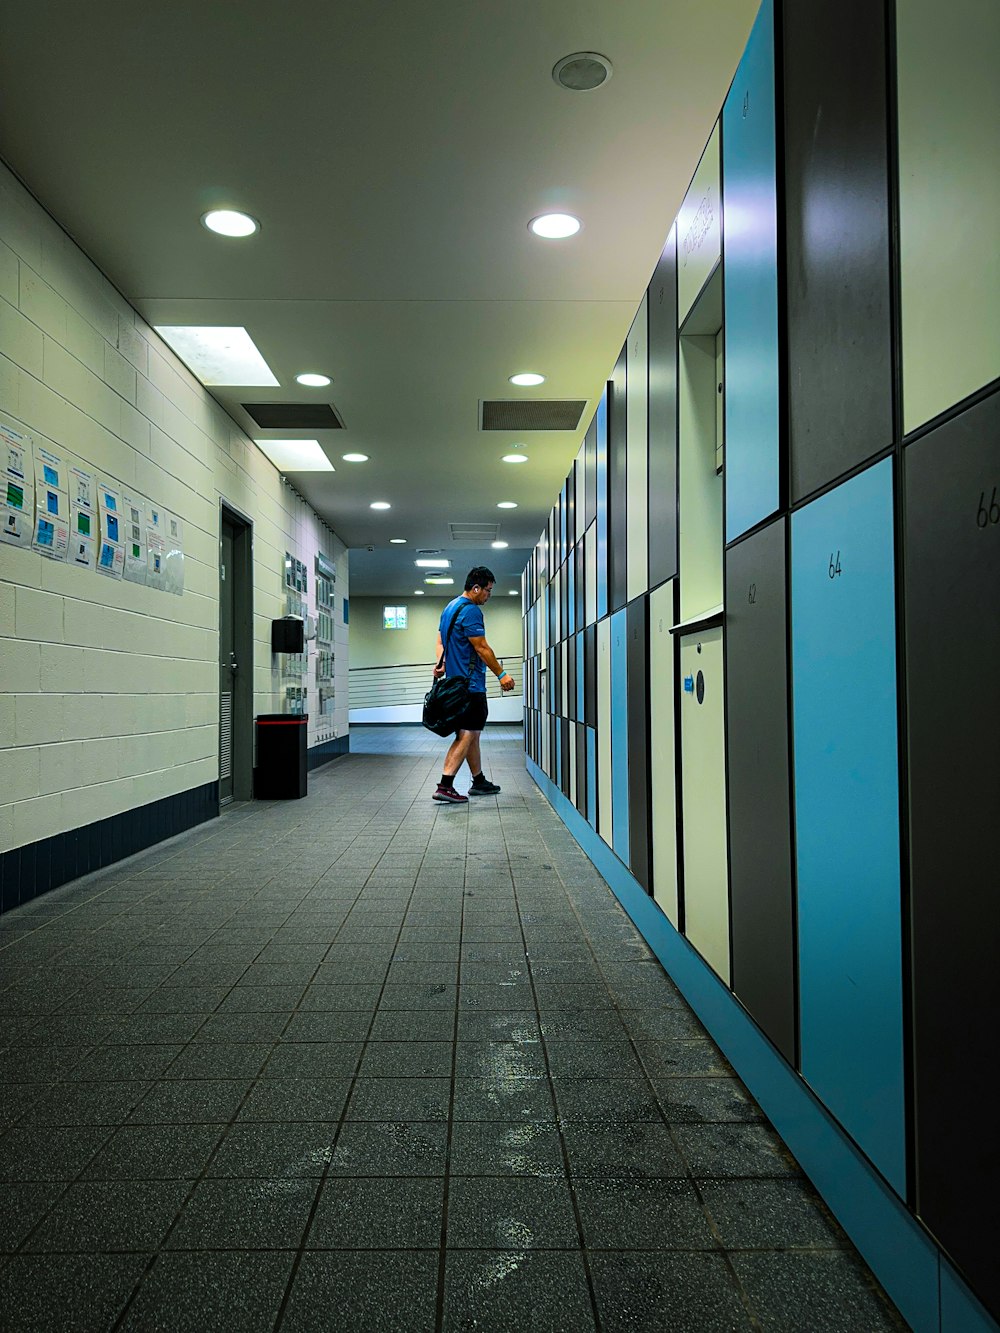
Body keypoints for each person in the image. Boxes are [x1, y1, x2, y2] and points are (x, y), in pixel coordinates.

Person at [431, 566, 515, 803]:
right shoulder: (471, 611)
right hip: (470, 686)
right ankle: (445, 784)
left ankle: (478, 781)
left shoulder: (450, 607)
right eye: (487, 590)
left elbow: (440, 640)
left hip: (455, 683)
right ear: (476, 588)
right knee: (466, 734)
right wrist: (502, 674)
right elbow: (481, 647)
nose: (489, 595)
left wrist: (443, 662)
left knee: (472, 733)